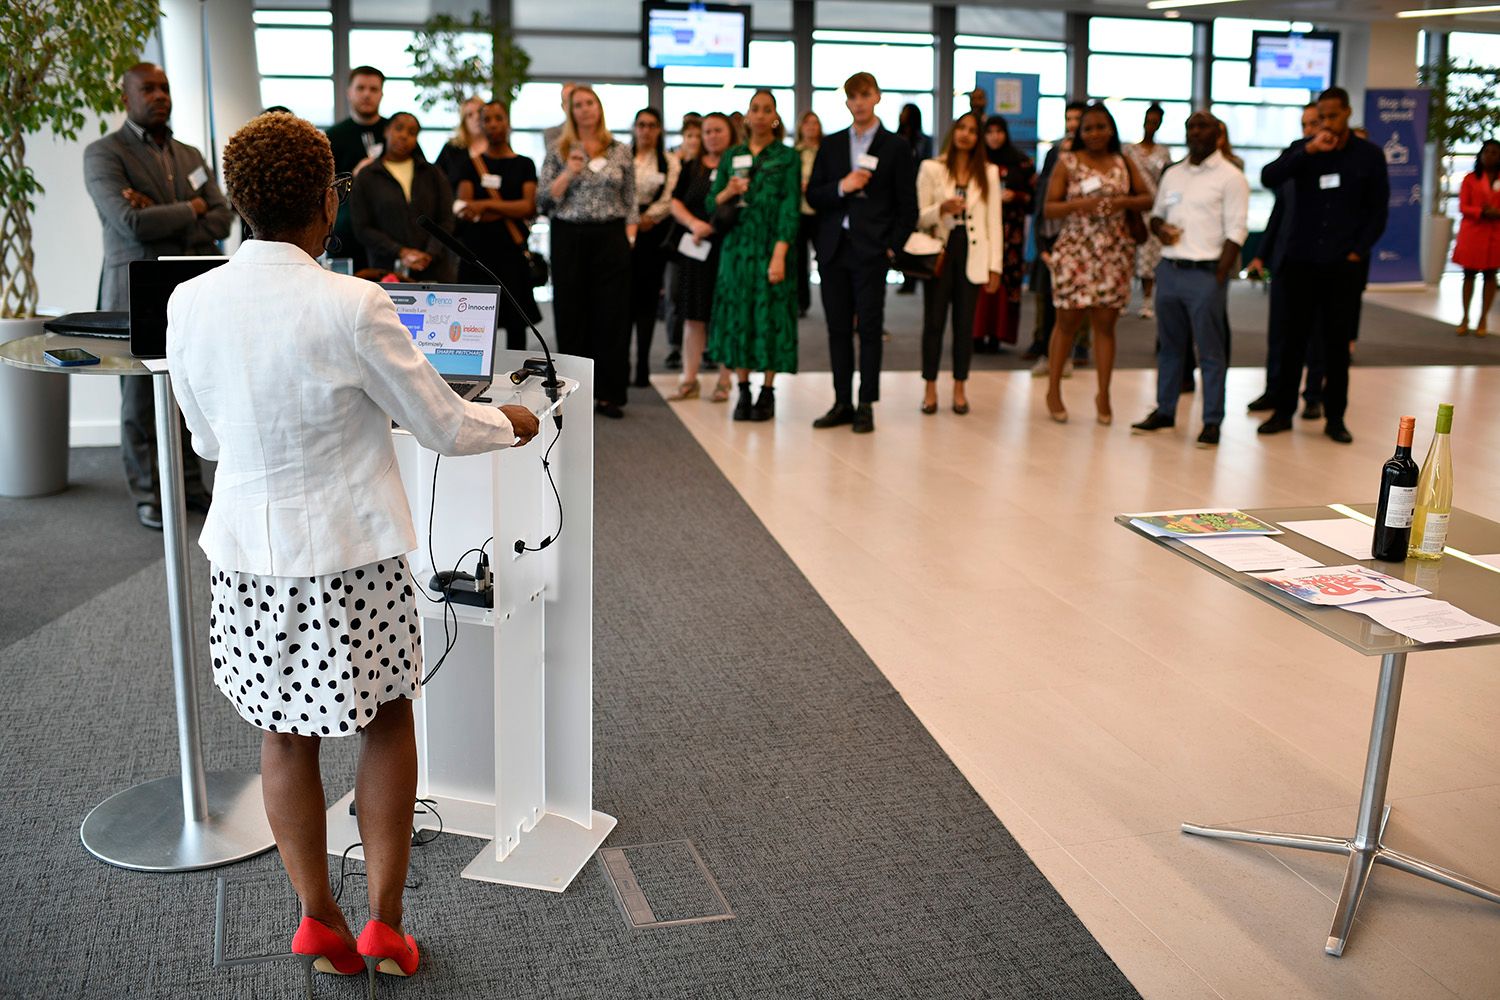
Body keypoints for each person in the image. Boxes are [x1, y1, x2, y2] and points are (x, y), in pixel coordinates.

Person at [167, 110, 541, 993]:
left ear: (239, 201)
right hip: (351, 558)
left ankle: (315, 917)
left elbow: (208, 441)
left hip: (249, 559)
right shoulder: (353, 302)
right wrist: (514, 421)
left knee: (284, 737)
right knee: (386, 721)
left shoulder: (189, 301)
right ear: (328, 203)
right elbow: (443, 426)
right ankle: (385, 924)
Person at [82, 62, 232, 530]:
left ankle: (189, 486)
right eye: (147, 88)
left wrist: (165, 213)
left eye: (164, 87)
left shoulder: (190, 155)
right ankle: (149, 492)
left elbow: (223, 217)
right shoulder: (104, 154)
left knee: (189, 391)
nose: (159, 95)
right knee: (140, 399)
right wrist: (192, 208)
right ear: (125, 97)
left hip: (190, 288)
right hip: (136, 290)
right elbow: (131, 224)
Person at [1256, 86, 1388, 445]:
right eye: (1322, 117)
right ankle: (1283, 411)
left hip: (1342, 266)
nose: (1327, 123)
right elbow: (1268, 177)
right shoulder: (1303, 150)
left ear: (1346, 113)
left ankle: (1335, 417)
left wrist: (1357, 252)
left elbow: (1378, 211)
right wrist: (1308, 151)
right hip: (1300, 262)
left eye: (1332, 116)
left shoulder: (1369, 155)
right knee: (1292, 342)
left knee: (1336, 345)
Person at [806, 72, 918, 434]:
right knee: (837, 329)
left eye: (865, 95)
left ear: (877, 97)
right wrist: (843, 186)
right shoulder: (832, 144)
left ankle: (866, 404)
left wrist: (892, 248)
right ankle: (842, 402)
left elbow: (908, 207)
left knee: (869, 330)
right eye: (853, 96)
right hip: (834, 249)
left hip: (872, 251)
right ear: (846, 102)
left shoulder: (895, 146)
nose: (859, 102)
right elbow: (814, 196)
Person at [1130, 111, 1248, 448]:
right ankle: (1165, 411)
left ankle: (1211, 421)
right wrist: (1160, 230)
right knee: (1169, 347)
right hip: (1170, 270)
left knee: (1210, 352)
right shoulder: (1173, 173)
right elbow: (1156, 216)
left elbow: (1236, 231)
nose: (1195, 132)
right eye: (1190, 127)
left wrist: (1219, 275)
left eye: (1202, 127)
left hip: (1206, 274)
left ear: (1217, 133)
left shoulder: (1230, 177)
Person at [1041, 102, 1152, 425]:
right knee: (1067, 322)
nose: (1094, 133)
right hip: (1076, 251)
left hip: (1114, 253)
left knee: (1105, 325)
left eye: (1101, 127)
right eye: (1088, 128)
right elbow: (1049, 207)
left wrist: (1121, 202)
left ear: (1111, 129)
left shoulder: (1123, 160)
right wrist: (1081, 204)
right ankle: (1053, 390)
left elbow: (1147, 198)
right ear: (1080, 132)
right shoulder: (1068, 161)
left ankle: (1103, 394)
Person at [537, 84, 637, 418]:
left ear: (599, 107)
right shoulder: (559, 150)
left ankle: (609, 393)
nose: (585, 109)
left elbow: (631, 199)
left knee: (613, 315)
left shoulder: (620, 149)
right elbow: (543, 199)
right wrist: (570, 172)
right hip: (570, 236)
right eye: (578, 104)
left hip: (611, 236)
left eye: (590, 103)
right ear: (570, 111)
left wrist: (630, 236)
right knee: (572, 315)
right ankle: (574, 394)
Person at [709, 90, 801, 422]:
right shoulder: (732, 155)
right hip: (736, 248)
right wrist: (729, 191)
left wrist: (779, 254)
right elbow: (711, 202)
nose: (760, 115)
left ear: (775, 117)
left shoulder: (787, 157)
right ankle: (744, 388)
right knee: (739, 316)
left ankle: (768, 391)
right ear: (747, 116)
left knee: (771, 316)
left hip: (771, 247)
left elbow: (790, 207)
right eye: (755, 109)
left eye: (767, 110)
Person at [915, 113, 1002, 415]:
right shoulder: (932, 168)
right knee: (934, 322)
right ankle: (929, 386)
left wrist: (995, 266)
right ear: (953, 132)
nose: (966, 134)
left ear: (979, 138)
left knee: (965, 325)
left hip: (973, 250)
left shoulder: (988, 172)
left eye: (973, 131)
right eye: (962, 128)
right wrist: (941, 208)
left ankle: (960, 386)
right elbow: (918, 216)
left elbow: (994, 222)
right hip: (941, 249)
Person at [1246, 103, 1324, 415]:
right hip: (1285, 261)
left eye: (1314, 123)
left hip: (1319, 264)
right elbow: (1278, 212)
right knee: (1279, 332)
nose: (1309, 130)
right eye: (1305, 124)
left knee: (1316, 334)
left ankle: (1313, 396)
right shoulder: (1293, 159)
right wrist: (1261, 255)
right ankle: (1274, 391)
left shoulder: (1334, 162)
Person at [451, 100, 541, 350]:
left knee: (516, 322)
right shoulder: (470, 164)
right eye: (487, 119)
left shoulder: (524, 164)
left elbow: (527, 207)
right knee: (471, 321)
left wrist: (486, 206)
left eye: (498, 118)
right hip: (476, 253)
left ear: (507, 122)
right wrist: (503, 208)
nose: (493, 124)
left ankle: (517, 370)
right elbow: (467, 208)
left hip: (511, 251)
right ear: (480, 125)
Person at [666, 113, 734, 402]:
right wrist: (695, 224)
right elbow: (675, 202)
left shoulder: (736, 166)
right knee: (693, 316)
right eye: (707, 131)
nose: (712, 136)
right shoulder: (692, 167)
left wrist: (713, 226)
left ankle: (725, 380)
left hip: (727, 248)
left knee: (725, 314)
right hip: (695, 249)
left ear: (730, 133)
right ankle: (689, 379)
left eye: (718, 130)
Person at [350, 112, 457, 282]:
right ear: (386, 131)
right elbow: (362, 227)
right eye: (399, 128)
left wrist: (429, 253)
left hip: (434, 270)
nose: (404, 136)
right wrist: (401, 252)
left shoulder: (433, 173)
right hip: (386, 271)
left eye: (412, 132)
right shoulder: (367, 176)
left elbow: (446, 220)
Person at [1025, 99, 1088, 365]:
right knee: (1044, 290)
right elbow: (1043, 192)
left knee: (1080, 291)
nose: (1072, 124)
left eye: (1077, 119)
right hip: (1051, 231)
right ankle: (1042, 341)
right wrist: (1040, 236)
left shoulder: (1089, 156)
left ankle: (1081, 344)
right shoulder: (1054, 152)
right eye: (1068, 119)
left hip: (1080, 233)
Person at [972, 114, 1035, 353]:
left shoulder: (1021, 162)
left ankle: (998, 334)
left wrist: (1016, 196)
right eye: (989, 132)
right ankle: (976, 333)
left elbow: (1035, 198)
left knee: (1006, 281)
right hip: (981, 230)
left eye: (999, 132)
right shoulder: (977, 160)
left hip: (1011, 232)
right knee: (979, 278)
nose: (994, 137)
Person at [628, 107, 681, 387]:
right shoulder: (624, 156)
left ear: (659, 129)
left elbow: (670, 196)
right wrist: (632, 220)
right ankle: (621, 363)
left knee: (647, 302)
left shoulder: (669, 161)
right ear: (635, 128)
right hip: (623, 234)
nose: (646, 131)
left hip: (652, 234)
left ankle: (643, 365)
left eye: (651, 125)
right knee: (622, 303)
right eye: (641, 125)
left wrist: (648, 217)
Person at [325, 66, 387, 270]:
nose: (367, 94)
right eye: (360, 88)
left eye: (373, 89)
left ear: (381, 94)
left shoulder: (396, 133)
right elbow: (323, 185)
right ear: (349, 92)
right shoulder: (333, 136)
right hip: (346, 231)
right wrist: (354, 175)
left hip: (389, 232)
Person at [662, 115, 703, 371]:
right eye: (690, 136)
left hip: (704, 238)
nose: (695, 140)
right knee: (675, 293)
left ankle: (706, 348)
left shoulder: (709, 167)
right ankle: (674, 345)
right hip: (678, 239)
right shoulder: (676, 165)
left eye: (699, 136)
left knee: (703, 293)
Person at [1124, 103, 1172, 320]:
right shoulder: (1130, 150)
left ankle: (1146, 300)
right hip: (1133, 207)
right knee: (1128, 253)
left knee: (1148, 257)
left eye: (1155, 122)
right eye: (1148, 121)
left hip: (1153, 208)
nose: (1151, 125)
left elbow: (1167, 181)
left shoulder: (1163, 152)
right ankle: (1124, 298)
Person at [1452, 139, 1500, 337]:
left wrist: (1496, 212)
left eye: (1494, 152)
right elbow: (1463, 207)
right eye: (1486, 151)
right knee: (1469, 275)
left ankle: (1483, 318)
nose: (1489, 155)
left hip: (1495, 233)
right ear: (1480, 155)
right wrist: (1482, 211)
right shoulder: (1470, 179)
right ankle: (1465, 317)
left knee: (1490, 275)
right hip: (1473, 232)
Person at [896, 104, 932, 297]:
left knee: (915, 231)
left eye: (907, 114)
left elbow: (926, 163)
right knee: (901, 234)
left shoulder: (924, 140)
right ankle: (906, 277)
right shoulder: (896, 138)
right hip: (900, 190)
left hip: (918, 189)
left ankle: (914, 276)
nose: (903, 116)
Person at [794, 111, 824, 318]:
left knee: (824, 256)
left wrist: (813, 187)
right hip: (799, 210)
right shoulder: (794, 153)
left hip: (820, 211)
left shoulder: (825, 151)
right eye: (807, 124)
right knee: (798, 259)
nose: (811, 127)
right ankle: (801, 302)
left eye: (815, 123)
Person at [435, 95, 487, 187]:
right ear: (464, 121)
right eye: (470, 115)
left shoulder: (498, 146)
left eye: (480, 112)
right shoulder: (451, 149)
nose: (477, 117)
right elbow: (435, 179)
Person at [541, 81, 579, 153]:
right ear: (563, 106)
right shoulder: (552, 133)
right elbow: (554, 156)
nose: (573, 105)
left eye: (577, 102)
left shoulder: (597, 133)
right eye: (569, 101)